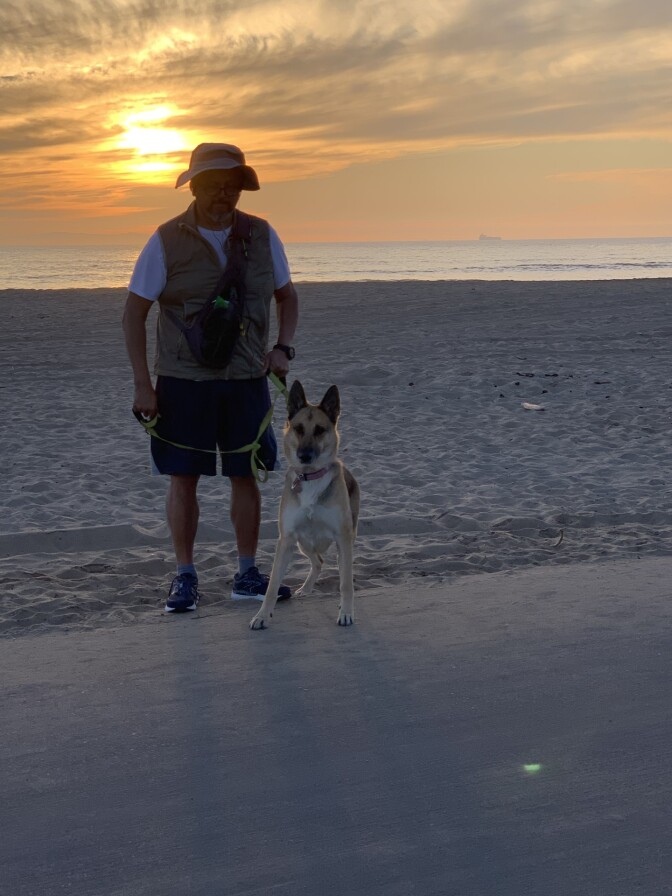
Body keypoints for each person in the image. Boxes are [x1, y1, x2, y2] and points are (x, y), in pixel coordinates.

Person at [122, 142, 299, 613]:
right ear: (194, 187)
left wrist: (282, 348)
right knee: (184, 478)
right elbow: (133, 313)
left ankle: (246, 574)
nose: (224, 195)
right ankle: (185, 576)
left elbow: (288, 297)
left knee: (247, 475)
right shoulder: (165, 239)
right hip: (182, 380)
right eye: (214, 186)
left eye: (232, 186)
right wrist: (144, 384)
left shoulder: (261, 236)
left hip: (246, 378)